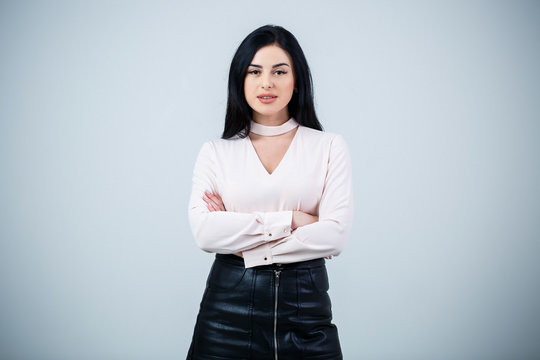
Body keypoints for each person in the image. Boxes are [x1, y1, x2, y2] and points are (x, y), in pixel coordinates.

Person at [186, 24, 354, 360]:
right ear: (241, 81)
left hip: (305, 307)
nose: (267, 82)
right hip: (226, 311)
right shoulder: (216, 152)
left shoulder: (328, 146)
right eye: (255, 72)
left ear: (297, 80)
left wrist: (240, 234)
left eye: (279, 71)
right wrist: (294, 219)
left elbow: (334, 237)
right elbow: (206, 234)